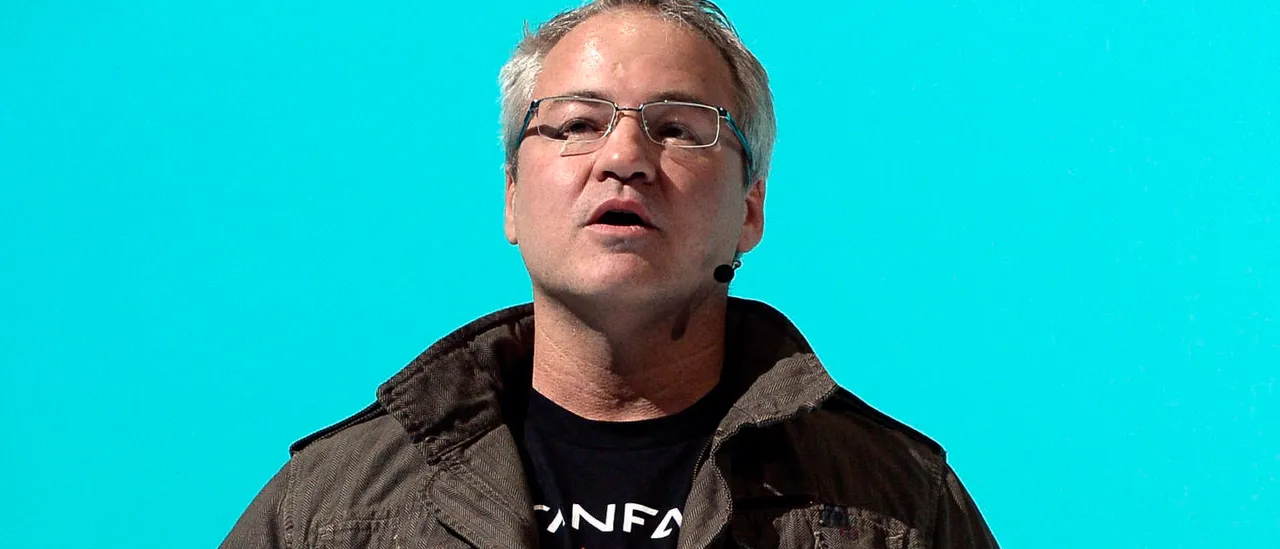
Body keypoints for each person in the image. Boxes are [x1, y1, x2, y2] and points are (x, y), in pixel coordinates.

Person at [220, 1, 999, 547]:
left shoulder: (895, 503)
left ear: (750, 209)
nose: (624, 157)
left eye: (678, 128)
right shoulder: (329, 508)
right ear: (513, 196)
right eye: (577, 123)